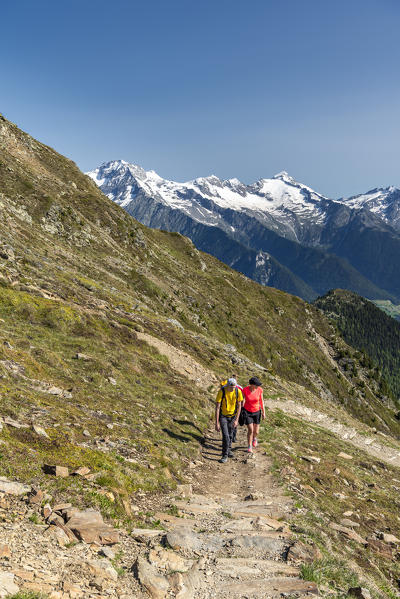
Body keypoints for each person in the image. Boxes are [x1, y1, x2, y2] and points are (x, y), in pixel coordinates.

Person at [215, 377, 243, 463]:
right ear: (227, 385)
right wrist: (216, 423)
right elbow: (217, 407)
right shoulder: (222, 391)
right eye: (231, 387)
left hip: (233, 416)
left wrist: (236, 420)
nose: (232, 389)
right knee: (226, 436)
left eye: (234, 387)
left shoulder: (238, 392)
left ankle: (229, 449)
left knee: (230, 435)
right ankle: (224, 455)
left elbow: (239, 406)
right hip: (223, 416)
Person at [242, 376, 265, 453]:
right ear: (252, 384)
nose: (258, 386)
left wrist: (263, 412)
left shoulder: (260, 390)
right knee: (250, 430)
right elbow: (243, 400)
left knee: (256, 431)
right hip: (247, 412)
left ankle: (254, 438)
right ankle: (249, 446)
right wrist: (241, 410)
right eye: (256, 385)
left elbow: (261, 401)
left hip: (257, 411)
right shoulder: (245, 390)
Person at [219, 374, 243, 444]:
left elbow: (241, 399)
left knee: (232, 429)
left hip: (234, 411)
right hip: (225, 412)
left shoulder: (239, 389)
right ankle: (227, 445)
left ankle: (232, 438)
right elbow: (221, 386)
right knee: (227, 433)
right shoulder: (224, 386)